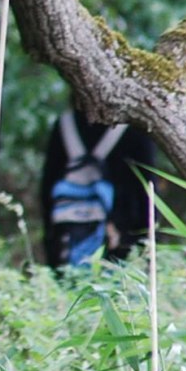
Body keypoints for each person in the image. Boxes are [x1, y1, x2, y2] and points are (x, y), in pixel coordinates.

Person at [39, 105, 158, 268]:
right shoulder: (137, 130)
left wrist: (50, 243)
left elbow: (47, 190)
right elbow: (149, 195)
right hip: (121, 243)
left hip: (67, 242)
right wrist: (149, 247)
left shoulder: (64, 125)